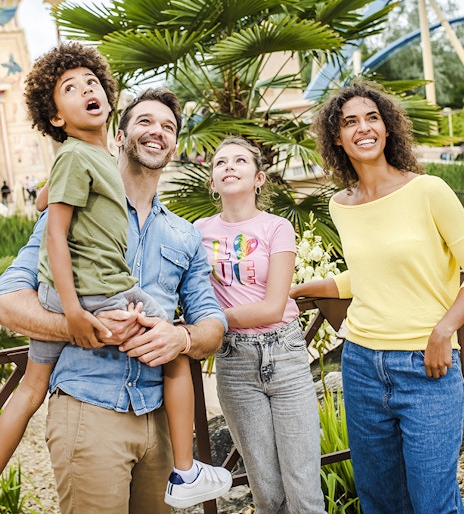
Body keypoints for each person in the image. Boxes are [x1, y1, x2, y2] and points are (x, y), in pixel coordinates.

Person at [0, 71, 230, 513]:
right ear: (120, 135)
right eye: (144, 121)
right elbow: (8, 300)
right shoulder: (77, 205)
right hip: (90, 409)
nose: (156, 131)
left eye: (167, 126)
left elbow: (212, 325)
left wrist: (180, 338)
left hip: (160, 422)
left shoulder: (185, 236)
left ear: (175, 145)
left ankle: (189, 472)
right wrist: (81, 326)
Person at [290, 80, 464, 514]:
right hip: (362, 363)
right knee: (381, 501)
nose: (362, 128)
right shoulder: (341, 205)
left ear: (387, 129)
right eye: (350, 121)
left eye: (372, 118)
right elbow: (365, 275)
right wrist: (300, 291)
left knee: (433, 505)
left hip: (427, 366)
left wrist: (445, 329)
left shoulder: (428, 191)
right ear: (336, 137)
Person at [194, 137, 326, 514]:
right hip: (234, 363)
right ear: (213, 182)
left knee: (305, 493)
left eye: (240, 161)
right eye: (220, 162)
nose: (229, 166)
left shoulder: (277, 227)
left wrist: (209, 322)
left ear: (259, 178)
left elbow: (272, 306)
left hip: (284, 354)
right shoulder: (195, 232)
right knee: (266, 494)